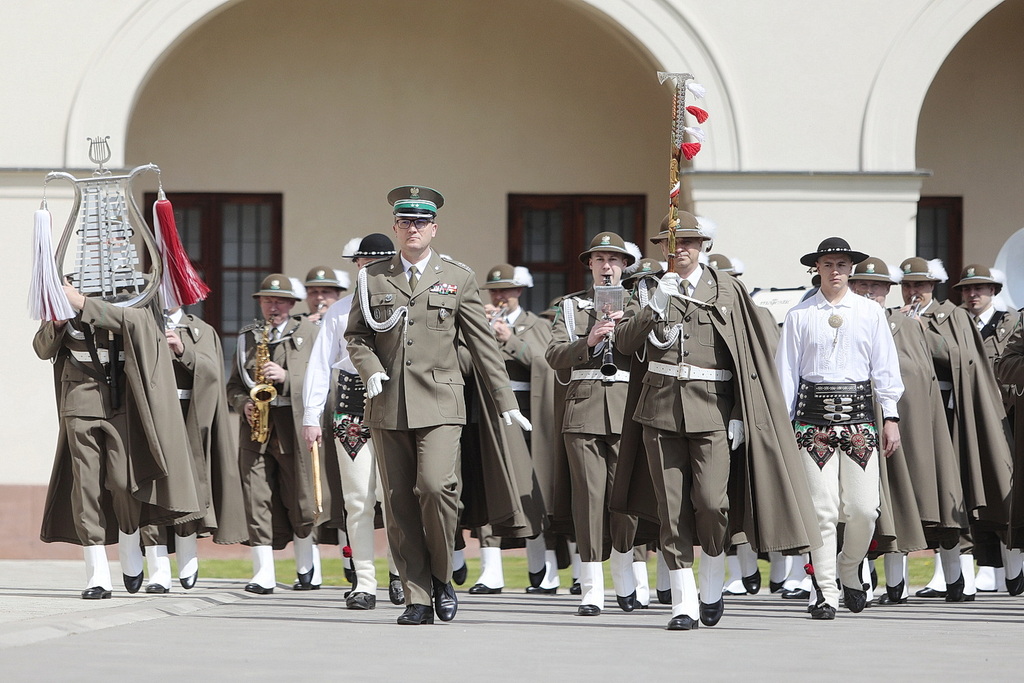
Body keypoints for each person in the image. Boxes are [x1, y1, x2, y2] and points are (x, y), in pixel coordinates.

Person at [613, 212, 821, 630]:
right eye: (673, 244)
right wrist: (653, 307)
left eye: (689, 242)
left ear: (703, 245)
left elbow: (745, 358)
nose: (681, 250)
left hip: (713, 410)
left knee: (712, 503)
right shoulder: (650, 290)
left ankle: (711, 580)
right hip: (659, 410)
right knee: (671, 510)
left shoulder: (727, 290)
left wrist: (743, 414)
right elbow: (622, 345)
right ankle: (684, 601)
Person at [345, 185, 532, 626]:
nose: (413, 228)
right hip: (388, 403)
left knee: (435, 488)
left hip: (441, 403)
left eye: (421, 222)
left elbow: (483, 346)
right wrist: (369, 367)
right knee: (397, 502)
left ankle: (443, 576)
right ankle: (416, 595)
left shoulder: (457, 277)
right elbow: (356, 336)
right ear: (395, 227)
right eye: (405, 221)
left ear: (434, 228)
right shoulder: (372, 277)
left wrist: (505, 400)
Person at [35, 284, 201, 599]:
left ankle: (128, 538)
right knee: (86, 487)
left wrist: (82, 303)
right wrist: (57, 323)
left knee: (123, 482)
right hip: (80, 396)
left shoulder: (137, 290)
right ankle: (96, 574)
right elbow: (42, 348)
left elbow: (136, 325)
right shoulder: (67, 291)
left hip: (122, 399)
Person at [775, 237, 903, 620]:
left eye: (842, 264)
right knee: (821, 510)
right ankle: (827, 591)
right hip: (811, 422)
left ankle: (850, 566)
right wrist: (783, 426)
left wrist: (891, 416)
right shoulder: (800, 315)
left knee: (864, 509)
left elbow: (885, 368)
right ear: (816, 268)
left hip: (860, 419)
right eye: (828, 264)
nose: (835, 271)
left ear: (851, 269)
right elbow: (786, 374)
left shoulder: (869, 312)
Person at [545, 231, 649, 617]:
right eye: (599, 259)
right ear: (589, 264)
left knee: (623, 499)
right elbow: (554, 355)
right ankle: (591, 587)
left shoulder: (640, 306)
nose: (607, 267)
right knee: (587, 499)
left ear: (625, 266)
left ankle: (624, 575)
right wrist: (587, 342)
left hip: (626, 408)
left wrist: (628, 324)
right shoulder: (571, 308)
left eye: (614, 260)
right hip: (584, 408)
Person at [849, 258, 963, 604]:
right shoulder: (845, 321)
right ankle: (866, 583)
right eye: (863, 286)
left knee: (903, 500)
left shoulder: (905, 325)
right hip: (856, 425)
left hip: (903, 428)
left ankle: (917, 584)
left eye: (876, 287)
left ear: (888, 290)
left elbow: (919, 376)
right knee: (864, 506)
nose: (869, 293)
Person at [900, 257, 1014, 601]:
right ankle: (931, 579)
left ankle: (967, 577)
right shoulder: (895, 317)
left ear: (932, 286)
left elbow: (959, 358)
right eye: (908, 285)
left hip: (951, 414)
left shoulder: (952, 316)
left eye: (920, 285)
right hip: (910, 416)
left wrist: (920, 330)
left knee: (958, 493)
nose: (913, 292)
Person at [303, 234, 401, 610]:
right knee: (358, 498)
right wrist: (312, 415)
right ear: (357, 265)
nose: (369, 269)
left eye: (378, 263)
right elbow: (319, 365)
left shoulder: (403, 306)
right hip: (351, 405)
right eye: (363, 263)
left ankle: (399, 573)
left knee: (394, 496)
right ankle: (364, 582)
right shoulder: (339, 311)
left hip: (394, 403)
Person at [226, 274, 329, 595]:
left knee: (300, 496)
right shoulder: (247, 338)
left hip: (292, 424)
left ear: (292, 304)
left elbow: (325, 378)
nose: (274, 306)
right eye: (268, 300)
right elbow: (233, 386)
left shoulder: (311, 333)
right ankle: (263, 574)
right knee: (256, 497)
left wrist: (286, 376)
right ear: (260, 302)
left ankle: (307, 569)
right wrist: (243, 403)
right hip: (256, 429)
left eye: (281, 300)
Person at [465, 263, 561, 595]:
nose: (500, 296)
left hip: (528, 413)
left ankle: (543, 570)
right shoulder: (480, 323)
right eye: (494, 291)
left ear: (519, 291)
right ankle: (491, 572)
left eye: (506, 290)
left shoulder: (537, 325)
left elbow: (549, 364)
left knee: (533, 490)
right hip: (491, 413)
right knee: (492, 487)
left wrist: (512, 339)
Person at [141, 306, 247, 592]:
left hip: (188, 415)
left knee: (186, 490)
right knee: (150, 491)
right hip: (152, 415)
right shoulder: (142, 321)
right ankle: (158, 569)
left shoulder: (200, 329)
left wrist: (182, 349)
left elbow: (213, 373)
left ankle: (187, 555)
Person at [953, 264, 1021, 591]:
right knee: (971, 491)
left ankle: (1013, 564)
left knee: (1003, 489)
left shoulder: (1009, 322)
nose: (973, 294)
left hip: (1004, 417)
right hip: (968, 417)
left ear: (993, 291)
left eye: (980, 288)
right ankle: (988, 566)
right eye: (967, 289)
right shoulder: (956, 323)